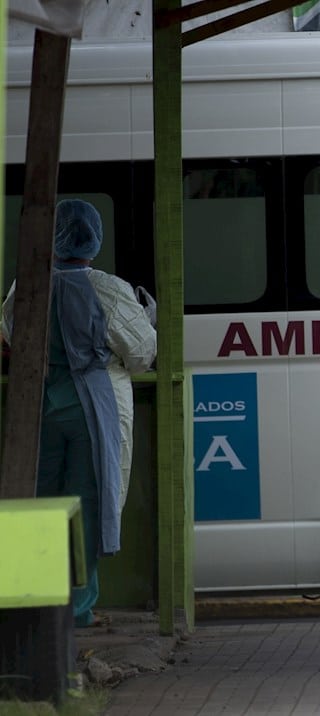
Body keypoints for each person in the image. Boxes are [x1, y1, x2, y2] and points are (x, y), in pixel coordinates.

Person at [1, 199, 157, 627]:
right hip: (96, 408)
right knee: (87, 507)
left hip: (41, 406)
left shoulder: (26, 285)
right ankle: (78, 609)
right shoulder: (109, 289)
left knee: (43, 501)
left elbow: (11, 336)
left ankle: (35, 609)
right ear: (94, 238)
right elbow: (142, 354)